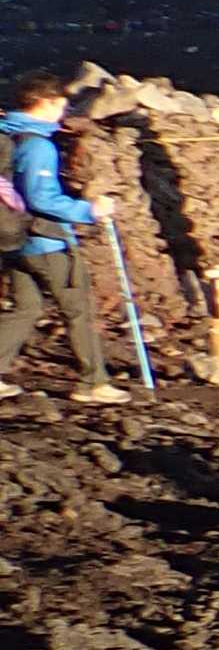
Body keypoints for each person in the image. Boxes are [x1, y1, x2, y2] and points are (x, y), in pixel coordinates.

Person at [1, 73, 125, 403]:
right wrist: (89, 210)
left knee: (26, 308)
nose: (64, 110)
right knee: (78, 310)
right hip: (45, 241)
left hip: (11, 239)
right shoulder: (38, 145)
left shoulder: (6, 135)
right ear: (45, 102)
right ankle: (94, 383)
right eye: (61, 103)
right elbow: (41, 198)